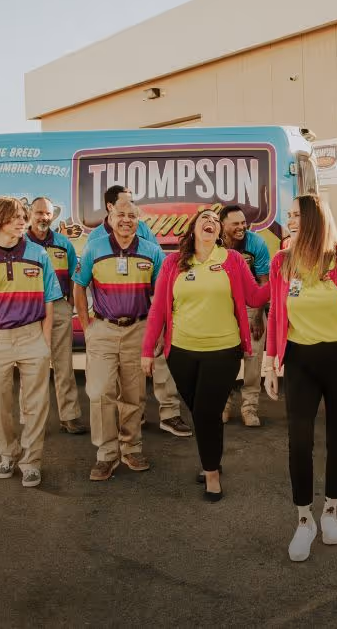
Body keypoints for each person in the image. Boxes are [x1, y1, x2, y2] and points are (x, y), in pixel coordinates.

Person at [264, 194, 337, 562]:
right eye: (289, 215)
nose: (290, 220)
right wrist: (270, 361)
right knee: (298, 442)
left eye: (297, 214)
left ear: (315, 218)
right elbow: (275, 314)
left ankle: (330, 510)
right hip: (300, 360)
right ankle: (304, 520)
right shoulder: (282, 260)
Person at [141, 209, 270, 502]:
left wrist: (281, 277)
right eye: (205, 219)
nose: (211, 222)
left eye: (215, 219)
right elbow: (159, 309)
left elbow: (254, 297)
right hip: (181, 353)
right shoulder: (174, 262)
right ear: (193, 230)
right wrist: (147, 351)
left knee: (205, 413)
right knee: (203, 414)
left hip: (223, 351)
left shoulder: (233, 261)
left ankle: (211, 472)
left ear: (219, 231)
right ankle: (213, 457)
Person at [0, 197, 63, 488]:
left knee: (36, 406)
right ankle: (8, 454)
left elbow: (49, 301)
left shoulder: (38, 254)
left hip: (32, 337)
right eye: (15, 217)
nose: (22, 221)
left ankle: (32, 462)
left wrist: (44, 341)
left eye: (23, 216)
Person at [89, 185, 191, 437]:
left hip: (145, 312)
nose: (129, 213)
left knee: (159, 360)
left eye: (132, 207)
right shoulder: (95, 240)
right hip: (111, 321)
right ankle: (135, 417)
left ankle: (169, 413)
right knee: (125, 375)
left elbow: (155, 263)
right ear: (111, 207)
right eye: (125, 204)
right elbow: (87, 279)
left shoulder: (141, 228)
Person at [73, 200, 164, 480]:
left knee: (133, 394)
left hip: (138, 328)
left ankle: (131, 448)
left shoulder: (152, 251)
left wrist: (157, 332)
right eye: (120, 214)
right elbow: (79, 286)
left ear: (139, 220)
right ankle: (107, 454)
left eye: (131, 216)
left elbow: (161, 296)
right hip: (103, 329)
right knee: (100, 393)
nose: (126, 220)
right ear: (110, 217)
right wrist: (88, 326)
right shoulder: (94, 248)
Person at [26, 196, 85, 435]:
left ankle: (69, 417)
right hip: (30, 311)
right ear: (31, 213)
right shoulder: (21, 244)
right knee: (31, 366)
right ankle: (30, 419)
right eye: (39, 212)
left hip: (59, 307)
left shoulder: (63, 243)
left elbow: (74, 274)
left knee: (63, 365)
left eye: (48, 214)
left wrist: (70, 300)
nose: (44, 217)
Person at [218, 204, 271, 427]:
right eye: (236, 224)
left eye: (243, 223)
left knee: (253, 358)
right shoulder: (214, 243)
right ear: (223, 225)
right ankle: (224, 404)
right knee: (223, 357)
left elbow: (263, 282)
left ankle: (250, 407)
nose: (242, 227)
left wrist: (259, 315)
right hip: (221, 306)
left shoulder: (256, 243)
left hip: (251, 305)